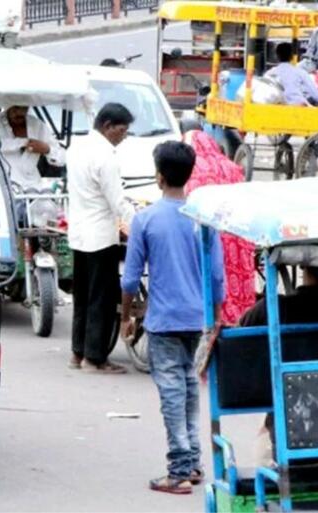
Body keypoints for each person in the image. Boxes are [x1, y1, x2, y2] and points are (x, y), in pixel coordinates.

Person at [121, 141, 224, 495]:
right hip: (197, 318)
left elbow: (131, 278)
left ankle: (179, 470)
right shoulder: (202, 220)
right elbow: (216, 276)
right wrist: (217, 316)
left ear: (159, 176)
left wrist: (125, 317)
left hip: (164, 320)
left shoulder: (145, 219)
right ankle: (193, 460)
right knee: (188, 386)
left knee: (172, 392)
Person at [238, 266, 318, 466]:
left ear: (303, 270)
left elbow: (240, 346)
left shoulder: (270, 310)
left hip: (285, 449)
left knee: (264, 434)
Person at [67, 103, 136, 374]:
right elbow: (117, 200)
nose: (124, 136)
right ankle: (95, 357)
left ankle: (77, 351)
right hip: (100, 236)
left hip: (80, 233)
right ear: (107, 126)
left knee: (82, 296)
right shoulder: (105, 155)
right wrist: (138, 221)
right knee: (102, 298)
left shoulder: (77, 147)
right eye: (122, 130)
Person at [183, 130, 256, 326]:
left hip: (210, 234)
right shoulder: (231, 167)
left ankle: (215, 319)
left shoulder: (192, 168)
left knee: (212, 277)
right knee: (235, 282)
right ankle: (240, 323)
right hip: (237, 234)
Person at [0, 105, 64, 188]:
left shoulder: (37, 125)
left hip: (34, 188)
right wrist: (24, 142)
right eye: (16, 108)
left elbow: (61, 159)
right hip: (3, 187)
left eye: (24, 108)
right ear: (8, 103)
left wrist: (47, 149)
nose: (19, 112)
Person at [265, 42, 318, 106]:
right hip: (299, 108)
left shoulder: (269, 73)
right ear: (292, 56)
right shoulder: (300, 72)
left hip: (276, 108)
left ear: (276, 56)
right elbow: (317, 96)